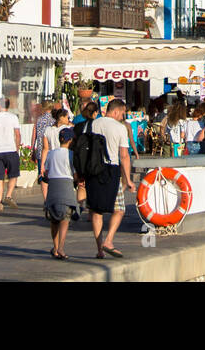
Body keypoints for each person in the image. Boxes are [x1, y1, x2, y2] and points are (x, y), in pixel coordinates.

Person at [87, 98, 136, 260]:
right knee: (120, 209)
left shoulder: (93, 124)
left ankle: (99, 249)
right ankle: (108, 241)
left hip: (93, 169)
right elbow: (124, 156)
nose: (123, 117)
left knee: (96, 211)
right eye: (122, 113)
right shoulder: (119, 128)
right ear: (115, 111)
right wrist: (128, 179)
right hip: (111, 170)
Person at [42, 125, 79, 260]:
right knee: (65, 218)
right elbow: (74, 174)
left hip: (53, 186)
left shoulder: (51, 153)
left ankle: (56, 247)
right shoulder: (71, 155)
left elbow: (46, 172)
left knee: (54, 219)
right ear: (70, 141)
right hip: (66, 186)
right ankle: (61, 247)